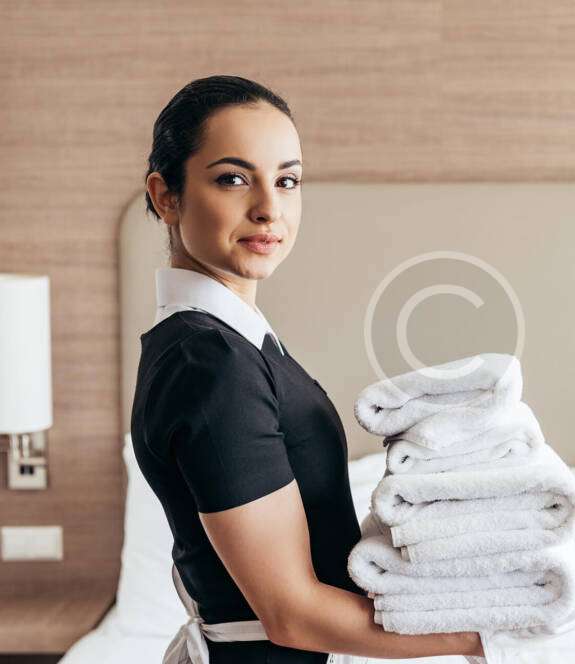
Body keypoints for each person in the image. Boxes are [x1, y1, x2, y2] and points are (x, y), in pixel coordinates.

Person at [133, 75, 485, 664]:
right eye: (233, 178)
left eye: (287, 180)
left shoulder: (230, 343)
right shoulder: (208, 361)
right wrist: (487, 633)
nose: (269, 208)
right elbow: (291, 614)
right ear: (166, 195)